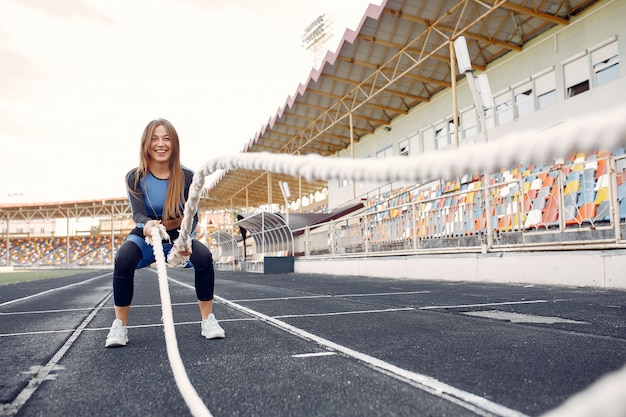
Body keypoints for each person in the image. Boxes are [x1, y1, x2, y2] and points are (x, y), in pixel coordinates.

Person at [105, 118, 225, 348]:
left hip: (178, 235)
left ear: (174, 143)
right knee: (123, 259)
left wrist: (186, 240)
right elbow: (138, 214)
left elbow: (193, 215)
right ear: (146, 144)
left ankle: (208, 320)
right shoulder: (134, 176)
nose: (161, 144)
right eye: (155, 138)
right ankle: (119, 326)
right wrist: (149, 225)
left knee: (204, 257)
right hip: (146, 236)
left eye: (166, 138)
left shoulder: (189, 176)